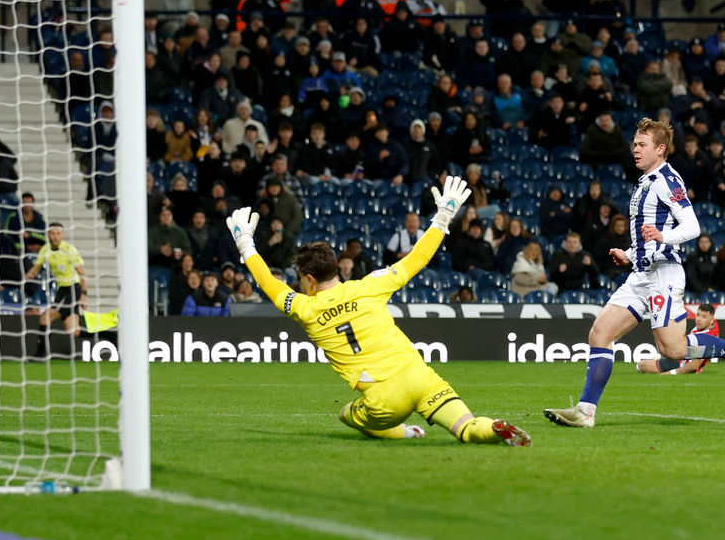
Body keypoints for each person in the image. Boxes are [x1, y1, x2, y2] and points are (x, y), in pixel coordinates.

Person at [224, 179, 530, 446]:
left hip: (384, 400)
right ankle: (491, 428)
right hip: (419, 376)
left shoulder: (304, 308)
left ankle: (403, 433)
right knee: (466, 427)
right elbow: (417, 258)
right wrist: (444, 214)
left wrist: (244, 243)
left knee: (348, 414)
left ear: (310, 279)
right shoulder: (370, 286)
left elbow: (267, 282)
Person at [545, 118, 725, 429]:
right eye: (635, 143)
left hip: (663, 275)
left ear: (660, 149)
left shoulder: (668, 179)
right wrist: (629, 253)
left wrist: (662, 238)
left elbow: (692, 227)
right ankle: (586, 412)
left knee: (673, 349)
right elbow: (648, 234)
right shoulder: (645, 181)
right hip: (641, 274)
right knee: (599, 333)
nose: (635, 149)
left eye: (642, 145)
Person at [25, 222, 88, 337]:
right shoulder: (45, 249)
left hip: (72, 289)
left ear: (62, 235)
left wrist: (84, 294)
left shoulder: (69, 250)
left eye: (58, 234)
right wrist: (28, 275)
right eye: (52, 234)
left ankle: (41, 353)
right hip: (62, 290)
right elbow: (35, 269)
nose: (55, 237)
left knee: (45, 317)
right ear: (48, 234)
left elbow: (83, 274)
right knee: (74, 331)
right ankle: (110, 335)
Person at [636, 303, 721, 375]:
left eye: (704, 317)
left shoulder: (704, 339)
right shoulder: (712, 327)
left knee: (641, 366)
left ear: (711, 320)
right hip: (680, 357)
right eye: (698, 315)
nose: (699, 319)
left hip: (679, 364)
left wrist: (672, 372)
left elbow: (694, 365)